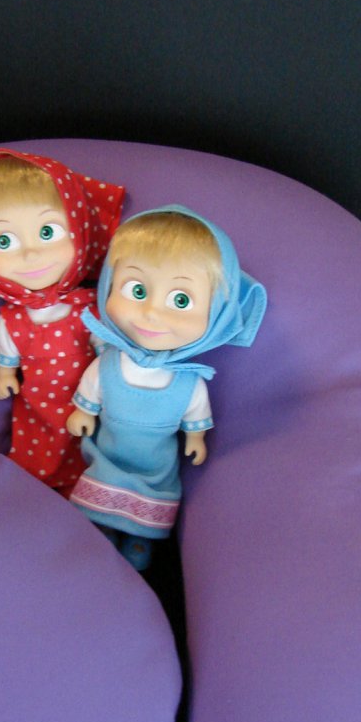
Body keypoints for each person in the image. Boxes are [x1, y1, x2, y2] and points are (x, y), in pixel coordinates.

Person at [66, 207, 266, 569]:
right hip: (110, 449)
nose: (152, 313)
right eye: (137, 290)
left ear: (217, 313)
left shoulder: (189, 379)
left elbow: (195, 412)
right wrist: (84, 411)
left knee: (155, 491)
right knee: (101, 480)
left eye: (181, 300)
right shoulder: (108, 362)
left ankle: (141, 536)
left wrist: (195, 437)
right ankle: (102, 525)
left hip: (156, 460)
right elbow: (92, 389)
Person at [0, 149, 124, 493]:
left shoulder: (87, 308)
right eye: (5, 240)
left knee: (94, 450)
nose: (30, 254)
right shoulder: (12, 318)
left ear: (79, 231)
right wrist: (5, 375)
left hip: (90, 399)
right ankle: (40, 492)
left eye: (48, 231)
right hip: (37, 406)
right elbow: (6, 354)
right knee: (36, 451)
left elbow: (108, 353)